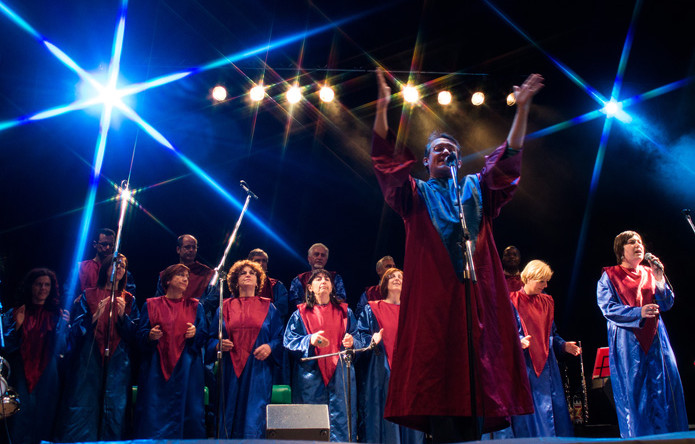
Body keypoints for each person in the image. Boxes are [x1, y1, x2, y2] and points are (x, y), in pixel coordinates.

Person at [373, 68, 542, 442]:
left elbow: (507, 162)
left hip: (474, 305)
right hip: (434, 308)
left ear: (459, 161)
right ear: (426, 161)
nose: (445, 152)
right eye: (438, 149)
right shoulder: (415, 195)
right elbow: (386, 163)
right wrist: (383, 109)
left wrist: (522, 110)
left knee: (476, 380)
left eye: (451, 149)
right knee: (438, 383)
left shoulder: (475, 191)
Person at [596, 231, 687, 438]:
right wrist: (638, 312)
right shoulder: (610, 275)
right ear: (621, 250)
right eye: (631, 242)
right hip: (628, 340)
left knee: (664, 390)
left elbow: (666, 303)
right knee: (635, 393)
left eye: (639, 242)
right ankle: (638, 439)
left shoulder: (649, 272)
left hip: (656, 339)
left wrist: (659, 277)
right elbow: (607, 308)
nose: (638, 245)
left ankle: (670, 439)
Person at [56, 254, 140, 441]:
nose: (119, 268)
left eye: (123, 266)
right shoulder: (89, 294)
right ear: (106, 268)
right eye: (116, 264)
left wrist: (122, 317)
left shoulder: (128, 299)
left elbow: (135, 334)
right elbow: (75, 330)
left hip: (118, 359)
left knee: (114, 405)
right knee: (84, 401)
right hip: (89, 355)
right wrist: (95, 316)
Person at [207, 260, 283, 438]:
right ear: (235, 281)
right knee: (228, 415)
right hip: (229, 370)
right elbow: (210, 339)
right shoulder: (224, 307)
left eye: (252, 273)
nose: (248, 275)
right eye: (243, 273)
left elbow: (280, 338)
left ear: (258, 282)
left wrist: (270, 347)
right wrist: (217, 344)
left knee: (253, 418)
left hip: (258, 369)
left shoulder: (269, 307)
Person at [283, 269, 359, 442]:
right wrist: (309, 339)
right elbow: (289, 341)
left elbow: (358, 337)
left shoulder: (345, 313)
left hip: (340, 374)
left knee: (342, 420)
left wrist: (352, 341)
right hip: (310, 375)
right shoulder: (300, 314)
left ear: (332, 287)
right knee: (311, 421)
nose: (323, 281)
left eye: (327, 279)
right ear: (310, 287)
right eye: (318, 279)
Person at [134, 263, 206, 439]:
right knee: (154, 412)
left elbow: (204, 336)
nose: (185, 279)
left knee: (189, 412)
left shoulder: (196, 306)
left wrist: (195, 333)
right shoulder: (151, 305)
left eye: (187, 277)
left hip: (187, 367)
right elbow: (140, 335)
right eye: (180, 275)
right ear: (167, 280)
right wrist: (149, 335)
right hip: (156, 368)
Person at [509, 260, 579, 437]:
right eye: (542, 281)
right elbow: (505, 331)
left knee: (555, 409)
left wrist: (563, 345)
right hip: (526, 364)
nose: (545, 285)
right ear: (529, 278)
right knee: (533, 411)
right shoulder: (512, 300)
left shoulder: (546, 301)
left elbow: (551, 333)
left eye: (546, 281)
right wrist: (518, 341)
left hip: (548, 365)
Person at [356, 267, 424, 444]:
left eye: (400, 276)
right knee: (384, 418)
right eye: (392, 276)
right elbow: (360, 336)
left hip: (409, 370)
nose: (396, 278)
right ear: (384, 283)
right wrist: (371, 340)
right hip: (382, 369)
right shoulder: (371, 309)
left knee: (410, 415)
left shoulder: (413, 311)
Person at [1, 268, 68, 444]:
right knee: (20, 414)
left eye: (47, 285)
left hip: (47, 370)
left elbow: (62, 349)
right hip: (21, 369)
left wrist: (63, 328)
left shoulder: (57, 315)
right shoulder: (16, 312)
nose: (43, 288)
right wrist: (17, 326)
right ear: (31, 286)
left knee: (44, 413)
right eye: (39, 284)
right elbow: (6, 347)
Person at [156, 234, 216, 319]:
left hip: (198, 320)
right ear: (178, 249)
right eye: (187, 247)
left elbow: (212, 299)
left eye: (194, 247)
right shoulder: (166, 274)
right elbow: (159, 300)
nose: (191, 250)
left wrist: (191, 311)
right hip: (170, 318)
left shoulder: (208, 273)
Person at [76, 228, 136, 298]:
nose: (107, 247)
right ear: (95, 244)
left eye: (111, 245)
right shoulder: (81, 267)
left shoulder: (120, 271)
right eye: (104, 244)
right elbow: (70, 294)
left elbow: (129, 297)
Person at [288, 243, 347, 308]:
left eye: (323, 255)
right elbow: (295, 303)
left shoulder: (335, 278)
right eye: (316, 254)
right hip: (306, 312)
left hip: (332, 312)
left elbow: (341, 299)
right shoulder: (299, 279)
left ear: (326, 260)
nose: (319, 257)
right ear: (309, 259)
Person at [248, 248, 289, 319]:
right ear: (249, 264)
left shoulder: (277, 285)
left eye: (264, 261)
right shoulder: (241, 286)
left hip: (270, 323)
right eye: (257, 261)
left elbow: (282, 308)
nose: (261, 264)